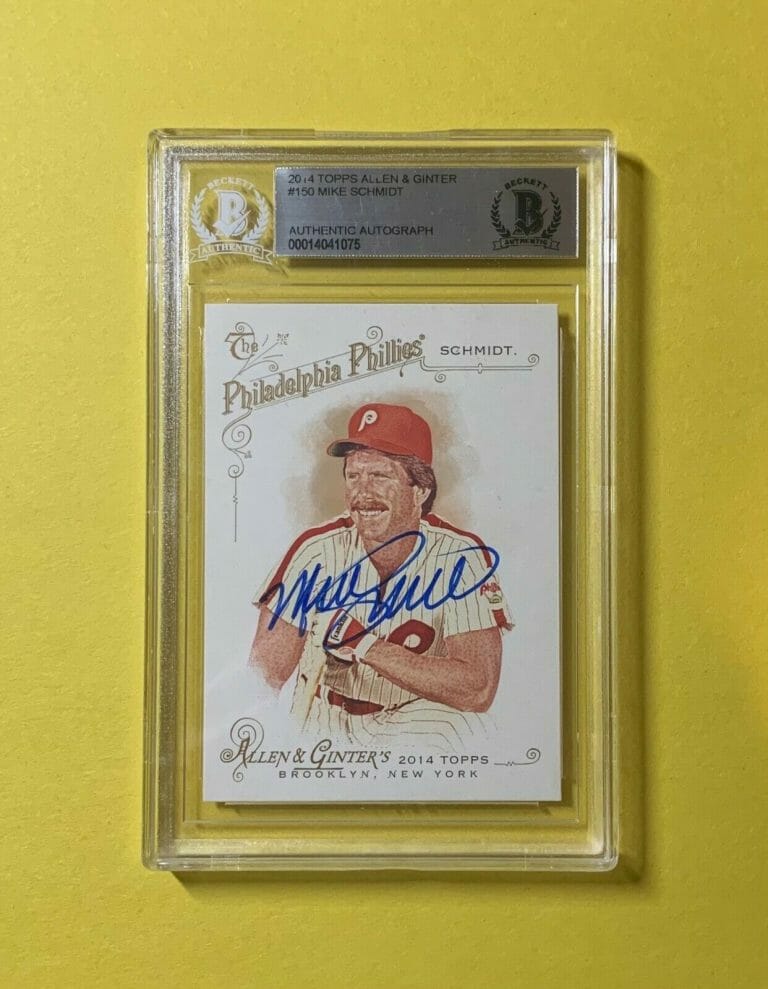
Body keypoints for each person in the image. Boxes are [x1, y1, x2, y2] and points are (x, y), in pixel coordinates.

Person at [249, 403, 513, 748]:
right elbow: (260, 680)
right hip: (325, 721)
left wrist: (363, 644)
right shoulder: (316, 551)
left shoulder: (461, 557)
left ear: (420, 491)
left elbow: (478, 688)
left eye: (379, 476)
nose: (362, 493)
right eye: (353, 476)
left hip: (415, 722)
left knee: (470, 732)